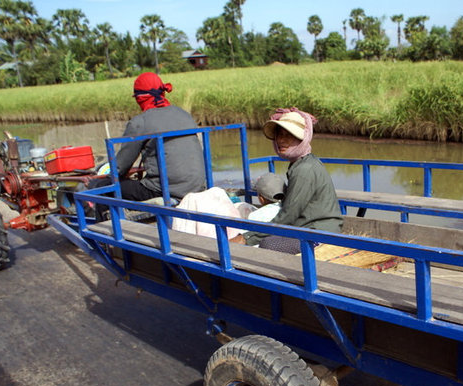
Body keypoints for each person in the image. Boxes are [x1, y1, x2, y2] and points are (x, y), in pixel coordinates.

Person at [91, 72, 205, 218]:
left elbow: (120, 166)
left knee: (104, 188)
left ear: (140, 98)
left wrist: (110, 175)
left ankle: (105, 234)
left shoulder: (140, 122)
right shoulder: (183, 114)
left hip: (166, 189)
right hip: (197, 185)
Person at [232, 107, 343, 253]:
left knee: (268, 245)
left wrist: (246, 238)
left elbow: (288, 217)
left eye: (288, 135)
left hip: (321, 235)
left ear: (301, 139)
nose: (281, 141)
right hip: (312, 229)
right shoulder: (302, 163)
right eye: (279, 135)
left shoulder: (304, 170)